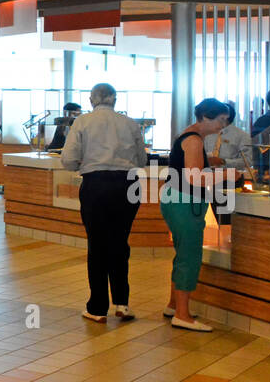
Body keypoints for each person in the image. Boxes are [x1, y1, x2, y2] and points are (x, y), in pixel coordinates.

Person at [61, 82, 148, 323]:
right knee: (120, 242)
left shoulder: (83, 122)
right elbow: (142, 159)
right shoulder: (130, 123)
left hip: (96, 184)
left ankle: (98, 308)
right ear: (115, 100)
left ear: (91, 100)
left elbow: (68, 159)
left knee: (97, 245)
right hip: (128, 185)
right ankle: (122, 303)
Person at [160, 98, 229, 332]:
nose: (223, 125)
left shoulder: (189, 136)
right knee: (189, 256)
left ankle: (173, 305)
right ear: (206, 117)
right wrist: (228, 175)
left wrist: (212, 164)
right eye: (221, 119)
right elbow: (194, 178)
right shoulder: (194, 140)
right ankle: (182, 315)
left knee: (182, 254)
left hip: (175, 198)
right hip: (185, 201)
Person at [202, 101, 247, 249]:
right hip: (210, 177)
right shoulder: (208, 134)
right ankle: (223, 244)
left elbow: (247, 161)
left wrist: (223, 161)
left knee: (228, 215)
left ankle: (232, 245)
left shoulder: (240, 135)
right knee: (216, 213)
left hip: (230, 179)